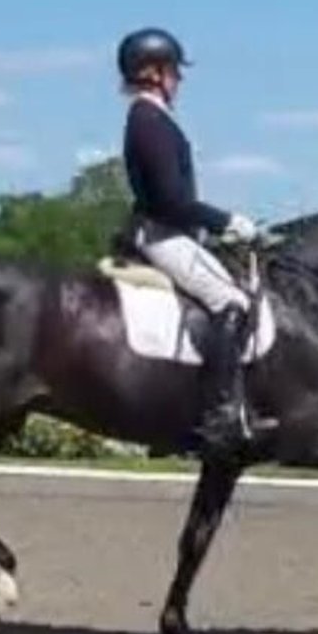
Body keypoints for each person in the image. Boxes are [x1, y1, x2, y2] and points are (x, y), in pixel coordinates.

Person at [116, 26, 273, 454]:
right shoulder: (149, 120)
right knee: (233, 303)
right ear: (153, 72)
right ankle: (217, 413)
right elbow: (172, 201)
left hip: (173, 231)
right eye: (173, 72)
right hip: (162, 234)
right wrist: (228, 222)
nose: (178, 81)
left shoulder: (152, 118)